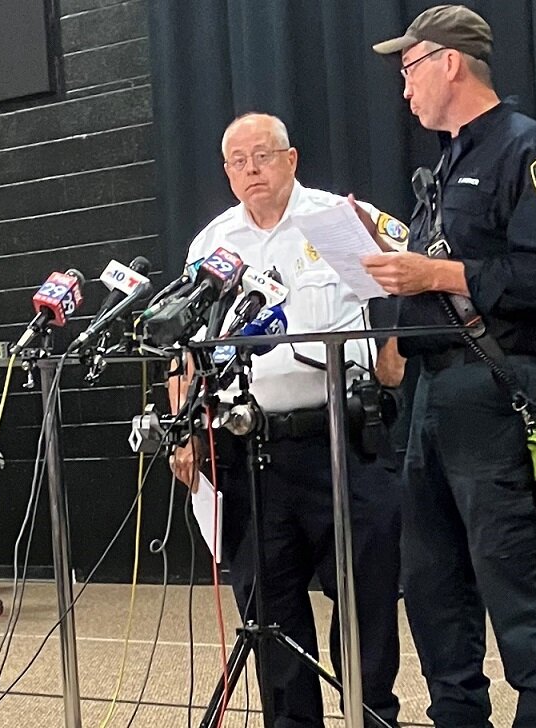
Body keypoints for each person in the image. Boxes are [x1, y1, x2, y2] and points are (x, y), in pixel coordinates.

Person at [362, 6, 536, 727]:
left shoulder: (525, 148)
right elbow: (442, 269)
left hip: (492, 387)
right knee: (432, 580)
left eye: (409, 70)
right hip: (432, 393)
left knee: (509, 571)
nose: (404, 89)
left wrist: (434, 274)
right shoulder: (448, 160)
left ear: (449, 62)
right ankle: (457, 715)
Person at [169, 112, 406, 727]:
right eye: (237, 161)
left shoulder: (339, 219)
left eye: (263, 156)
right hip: (251, 449)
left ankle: (370, 714)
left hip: (340, 441)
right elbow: (186, 349)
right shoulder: (212, 244)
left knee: (364, 604)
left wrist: (391, 365)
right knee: (269, 610)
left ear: (291, 158)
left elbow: (407, 293)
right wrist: (185, 426)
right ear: (226, 171)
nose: (251, 170)